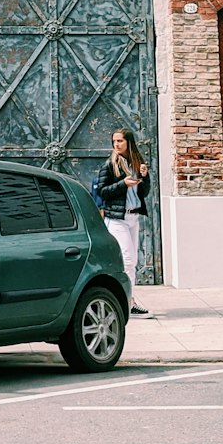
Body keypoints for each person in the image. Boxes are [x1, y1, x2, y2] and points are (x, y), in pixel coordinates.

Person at [94, 128, 151, 316]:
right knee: (127, 260)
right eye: (114, 141)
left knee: (132, 261)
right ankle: (127, 302)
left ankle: (128, 300)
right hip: (116, 218)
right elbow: (102, 191)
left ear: (129, 142)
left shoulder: (136, 163)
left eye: (120, 141)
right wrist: (122, 184)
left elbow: (144, 193)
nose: (116, 144)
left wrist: (144, 176)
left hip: (133, 217)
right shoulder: (110, 165)